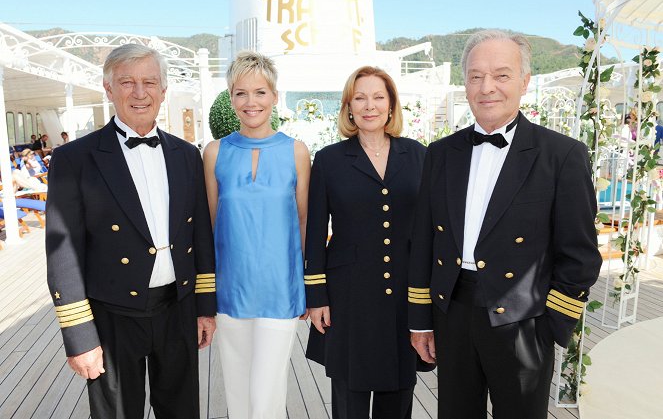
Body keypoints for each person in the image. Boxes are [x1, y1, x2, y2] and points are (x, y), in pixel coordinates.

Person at [408, 29, 602, 419]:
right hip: (453, 312)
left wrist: (551, 325)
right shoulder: (441, 153)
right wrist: (420, 320)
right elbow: (424, 242)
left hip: (523, 320)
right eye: (476, 76)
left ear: (524, 82)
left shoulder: (561, 155)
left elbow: (579, 255)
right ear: (465, 84)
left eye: (501, 75)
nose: (487, 87)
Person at [46, 43, 217, 418]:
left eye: (149, 82)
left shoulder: (187, 154)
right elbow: (63, 254)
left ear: (163, 91)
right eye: (127, 82)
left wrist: (205, 308)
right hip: (112, 315)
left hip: (178, 309)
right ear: (109, 90)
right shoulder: (75, 159)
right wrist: (79, 337)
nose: (140, 93)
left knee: (182, 411)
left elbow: (199, 236)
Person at [305, 66, 426, 419]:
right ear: (349, 107)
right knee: (349, 400)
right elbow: (315, 232)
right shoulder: (329, 160)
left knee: (400, 395)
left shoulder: (417, 155)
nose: (369, 105)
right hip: (349, 298)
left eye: (378, 97)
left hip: (405, 295)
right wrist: (317, 296)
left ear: (391, 106)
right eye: (360, 98)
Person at [202, 50, 311, 419]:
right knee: (237, 389)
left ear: (275, 97)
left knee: (267, 392)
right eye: (241, 93)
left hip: (281, 290)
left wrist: (306, 287)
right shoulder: (215, 152)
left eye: (260, 92)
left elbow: (304, 222)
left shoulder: (297, 152)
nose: (251, 102)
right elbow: (212, 226)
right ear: (231, 98)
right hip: (230, 290)